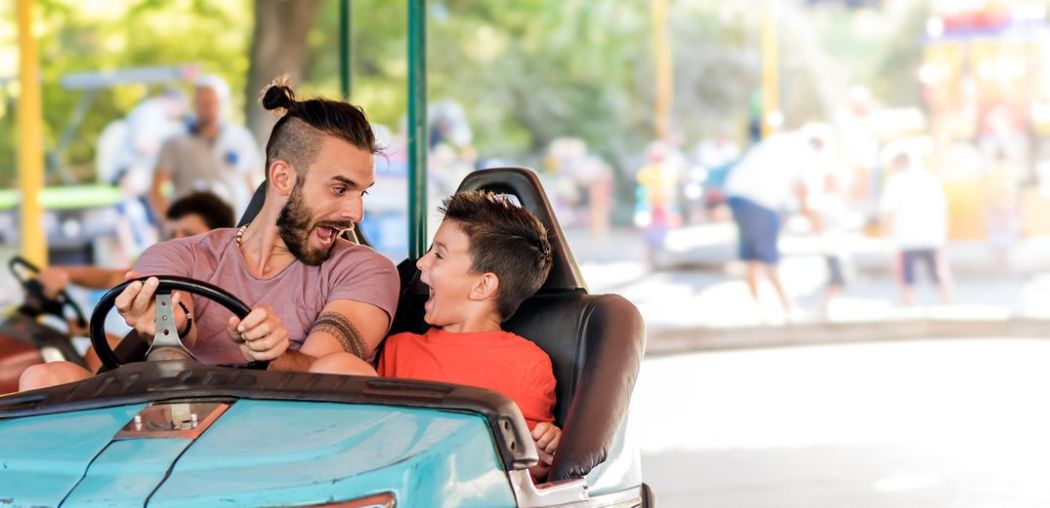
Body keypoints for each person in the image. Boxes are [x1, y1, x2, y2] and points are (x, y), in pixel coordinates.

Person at [20, 82, 399, 390]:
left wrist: (273, 356)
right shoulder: (179, 256)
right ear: (282, 178)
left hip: (290, 437)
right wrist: (173, 324)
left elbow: (327, 369)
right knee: (44, 376)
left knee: (341, 369)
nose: (356, 214)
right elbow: (173, 316)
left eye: (361, 193)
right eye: (339, 189)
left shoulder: (366, 270)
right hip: (173, 430)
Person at [312, 190, 561, 480]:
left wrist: (547, 448)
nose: (421, 263)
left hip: (469, 485)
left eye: (439, 254)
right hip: (394, 477)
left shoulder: (528, 362)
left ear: (482, 286)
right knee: (335, 366)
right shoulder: (399, 348)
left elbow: (528, 460)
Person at [36, 192, 235, 301]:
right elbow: (114, 277)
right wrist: (64, 273)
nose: (177, 242)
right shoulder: (170, 272)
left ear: (219, 237)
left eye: (189, 235)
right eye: (172, 235)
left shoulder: (232, 282)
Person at [723, 127, 826, 320]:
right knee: (769, 258)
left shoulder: (780, 141)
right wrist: (816, 225)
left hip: (737, 195)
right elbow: (803, 193)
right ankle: (787, 309)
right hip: (760, 200)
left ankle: (759, 309)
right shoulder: (804, 152)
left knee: (752, 258)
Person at [149, 75, 263, 219]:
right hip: (192, 227)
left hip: (235, 224)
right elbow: (157, 188)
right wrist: (169, 222)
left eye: (216, 103)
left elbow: (255, 184)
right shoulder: (174, 142)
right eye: (205, 103)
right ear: (195, 103)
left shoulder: (242, 138)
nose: (211, 109)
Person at [878, 150, 952, 306]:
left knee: (907, 279)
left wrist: (887, 237)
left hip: (906, 239)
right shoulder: (930, 179)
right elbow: (943, 209)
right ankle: (947, 305)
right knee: (939, 275)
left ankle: (909, 309)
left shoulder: (895, 181)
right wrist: (944, 233)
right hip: (931, 236)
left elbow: (888, 212)